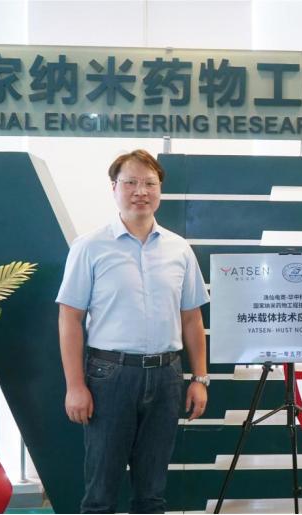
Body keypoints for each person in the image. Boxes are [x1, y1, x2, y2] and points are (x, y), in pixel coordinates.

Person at [56, 149, 210, 514]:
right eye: (131, 183)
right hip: (110, 377)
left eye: (149, 183)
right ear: (114, 187)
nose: (141, 191)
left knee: (152, 492)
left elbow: (192, 318)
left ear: (159, 190)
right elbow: (70, 318)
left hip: (167, 377)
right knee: (101, 492)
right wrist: (75, 386)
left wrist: (200, 378)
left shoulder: (180, 249)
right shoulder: (90, 247)